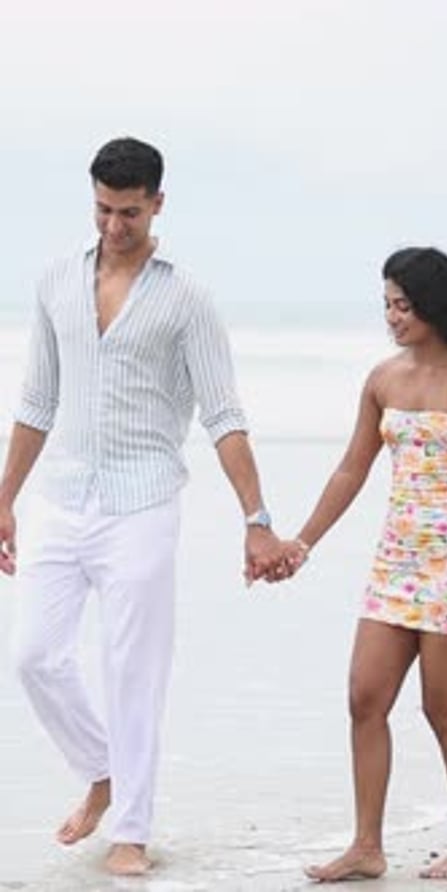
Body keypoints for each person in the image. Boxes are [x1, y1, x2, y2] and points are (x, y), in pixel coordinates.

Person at [0, 136, 288, 877]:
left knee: (133, 668)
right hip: (61, 498)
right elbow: (37, 401)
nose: (113, 226)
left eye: (128, 212)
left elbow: (224, 415)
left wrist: (256, 521)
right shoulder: (57, 280)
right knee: (34, 657)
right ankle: (101, 773)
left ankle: (130, 828)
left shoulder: (187, 298)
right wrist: (5, 499)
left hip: (143, 503)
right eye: (102, 209)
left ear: (157, 204)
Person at [273, 247, 447, 882]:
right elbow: (352, 467)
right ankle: (367, 847)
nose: (393, 317)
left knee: (442, 708)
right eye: (387, 306)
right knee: (364, 697)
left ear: (435, 307)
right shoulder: (382, 379)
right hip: (397, 560)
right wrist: (303, 541)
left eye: (403, 306)